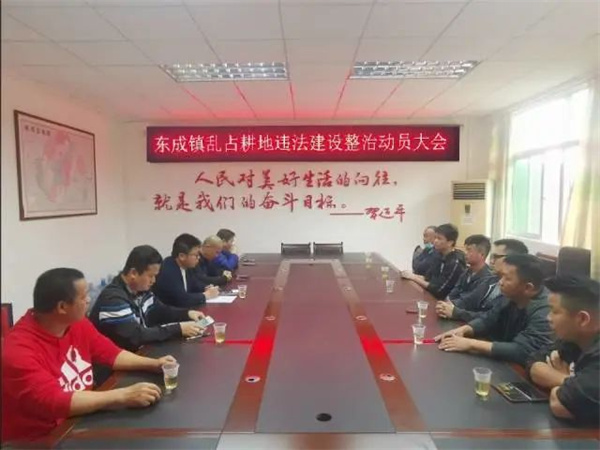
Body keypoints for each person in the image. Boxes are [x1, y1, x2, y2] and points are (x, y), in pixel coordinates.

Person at [1, 268, 175, 443]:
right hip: (40, 439)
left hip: (80, 420)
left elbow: (111, 353)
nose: (89, 300)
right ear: (62, 307)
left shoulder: (76, 323)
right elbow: (55, 401)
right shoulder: (17, 350)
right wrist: (123, 396)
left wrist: (153, 364)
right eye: (83, 297)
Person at [434, 254, 554, 366]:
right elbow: (489, 318)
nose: (500, 282)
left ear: (528, 287)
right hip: (504, 361)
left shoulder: (547, 310)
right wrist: (464, 330)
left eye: (507, 278)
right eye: (501, 277)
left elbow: (522, 350)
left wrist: (470, 344)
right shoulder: (511, 295)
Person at [89, 245, 207, 353]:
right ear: (133, 273)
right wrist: (178, 329)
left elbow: (160, 310)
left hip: (141, 351)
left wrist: (187, 313)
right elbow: (135, 336)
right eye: (151, 276)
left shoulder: (141, 290)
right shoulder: (113, 299)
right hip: (119, 362)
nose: (154, 281)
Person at [527, 276, 599, 424]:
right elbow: (534, 364)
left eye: (554, 311)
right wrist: (568, 380)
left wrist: (567, 386)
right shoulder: (573, 340)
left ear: (582, 319)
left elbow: (561, 405)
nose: (548, 318)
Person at [435, 235, 496, 322]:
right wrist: (446, 303)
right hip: (454, 311)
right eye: (465, 250)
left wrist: (448, 305)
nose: (465, 253)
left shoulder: (488, 278)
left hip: (469, 319)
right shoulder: (467, 271)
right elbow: (455, 291)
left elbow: (470, 301)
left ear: (481, 254)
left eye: (469, 250)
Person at [154, 234, 220, 308]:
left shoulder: (187, 267)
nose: (198, 258)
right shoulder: (168, 270)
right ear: (182, 256)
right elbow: (181, 299)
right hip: (171, 312)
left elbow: (195, 285)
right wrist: (205, 295)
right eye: (196, 255)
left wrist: (206, 288)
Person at [401, 223, 466, 299]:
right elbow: (428, 278)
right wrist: (409, 275)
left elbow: (439, 291)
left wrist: (414, 278)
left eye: (439, 238)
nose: (435, 241)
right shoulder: (438, 254)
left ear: (450, 242)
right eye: (435, 237)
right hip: (432, 295)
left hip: (446, 301)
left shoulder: (455, 262)